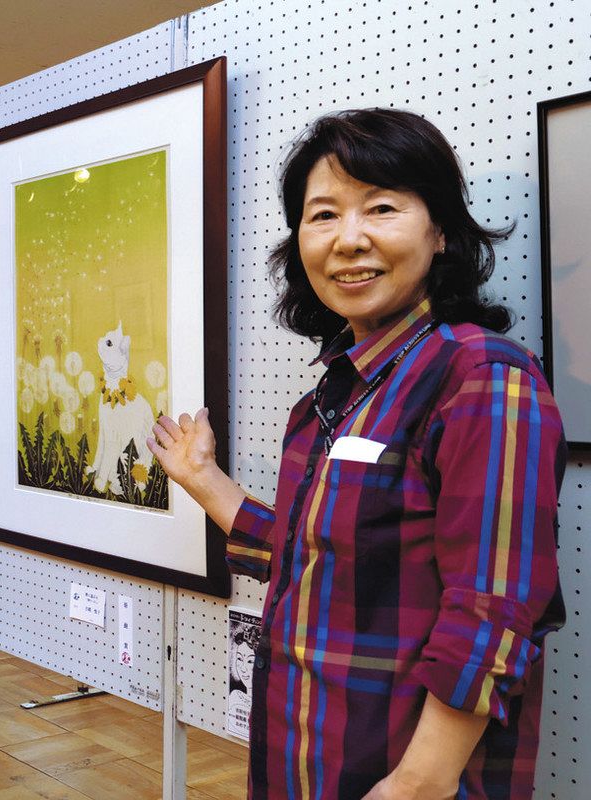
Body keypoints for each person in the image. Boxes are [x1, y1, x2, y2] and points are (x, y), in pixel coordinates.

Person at [148, 108, 566, 800]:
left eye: (380, 208)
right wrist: (203, 480)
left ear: (439, 233)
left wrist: (418, 783)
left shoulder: (482, 377)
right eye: (322, 215)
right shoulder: (331, 395)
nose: (349, 240)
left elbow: (492, 608)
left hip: (400, 779)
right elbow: (316, 557)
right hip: (303, 764)